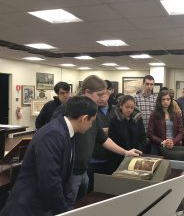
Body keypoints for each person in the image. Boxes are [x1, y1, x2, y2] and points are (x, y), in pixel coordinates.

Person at [0, 96, 98, 216]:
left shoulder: (66, 131)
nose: (91, 126)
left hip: (45, 204)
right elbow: (50, 180)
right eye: (91, 121)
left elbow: (64, 176)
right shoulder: (53, 134)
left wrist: (67, 206)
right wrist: (64, 211)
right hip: (30, 208)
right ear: (84, 118)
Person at [53, 75, 141, 203]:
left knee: (82, 205)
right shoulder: (64, 110)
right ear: (87, 92)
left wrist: (126, 152)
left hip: (84, 171)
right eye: (99, 95)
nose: (103, 98)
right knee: (68, 207)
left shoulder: (91, 110)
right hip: (70, 173)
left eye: (105, 94)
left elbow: (103, 138)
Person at [108, 95, 147, 172]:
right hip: (118, 156)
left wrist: (138, 151)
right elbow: (112, 140)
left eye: (132, 108)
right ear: (121, 106)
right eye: (127, 107)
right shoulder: (114, 120)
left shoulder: (138, 118)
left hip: (135, 155)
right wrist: (123, 152)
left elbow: (142, 137)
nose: (129, 110)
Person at [148, 90, 184, 155]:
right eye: (163, 99)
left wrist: (173, 142)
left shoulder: (176, 114)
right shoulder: (154, 114)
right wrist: (163, 142)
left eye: (168, 99)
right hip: (158, 147)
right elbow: (150, 134)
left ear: (171, 100)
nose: (166, 101)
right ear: (160, 101)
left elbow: (181, 132)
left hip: (174, 146)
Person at [134, 75, 157, 153]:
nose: (149, 86)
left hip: (152, 134)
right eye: (147, 84)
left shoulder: (156, 99)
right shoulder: (135, 98)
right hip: (139, 134)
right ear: (143, 84)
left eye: (151, 84)